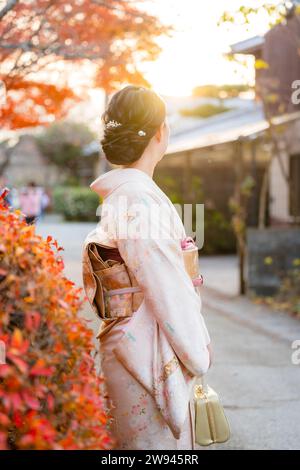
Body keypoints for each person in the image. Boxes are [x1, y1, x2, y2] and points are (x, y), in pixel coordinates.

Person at [83, 85, 213, 450]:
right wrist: (197, 349)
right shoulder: (138, 198)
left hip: (130, 340)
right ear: (160, 132)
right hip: (139, 349)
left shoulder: (129, 194)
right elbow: (166, 289)